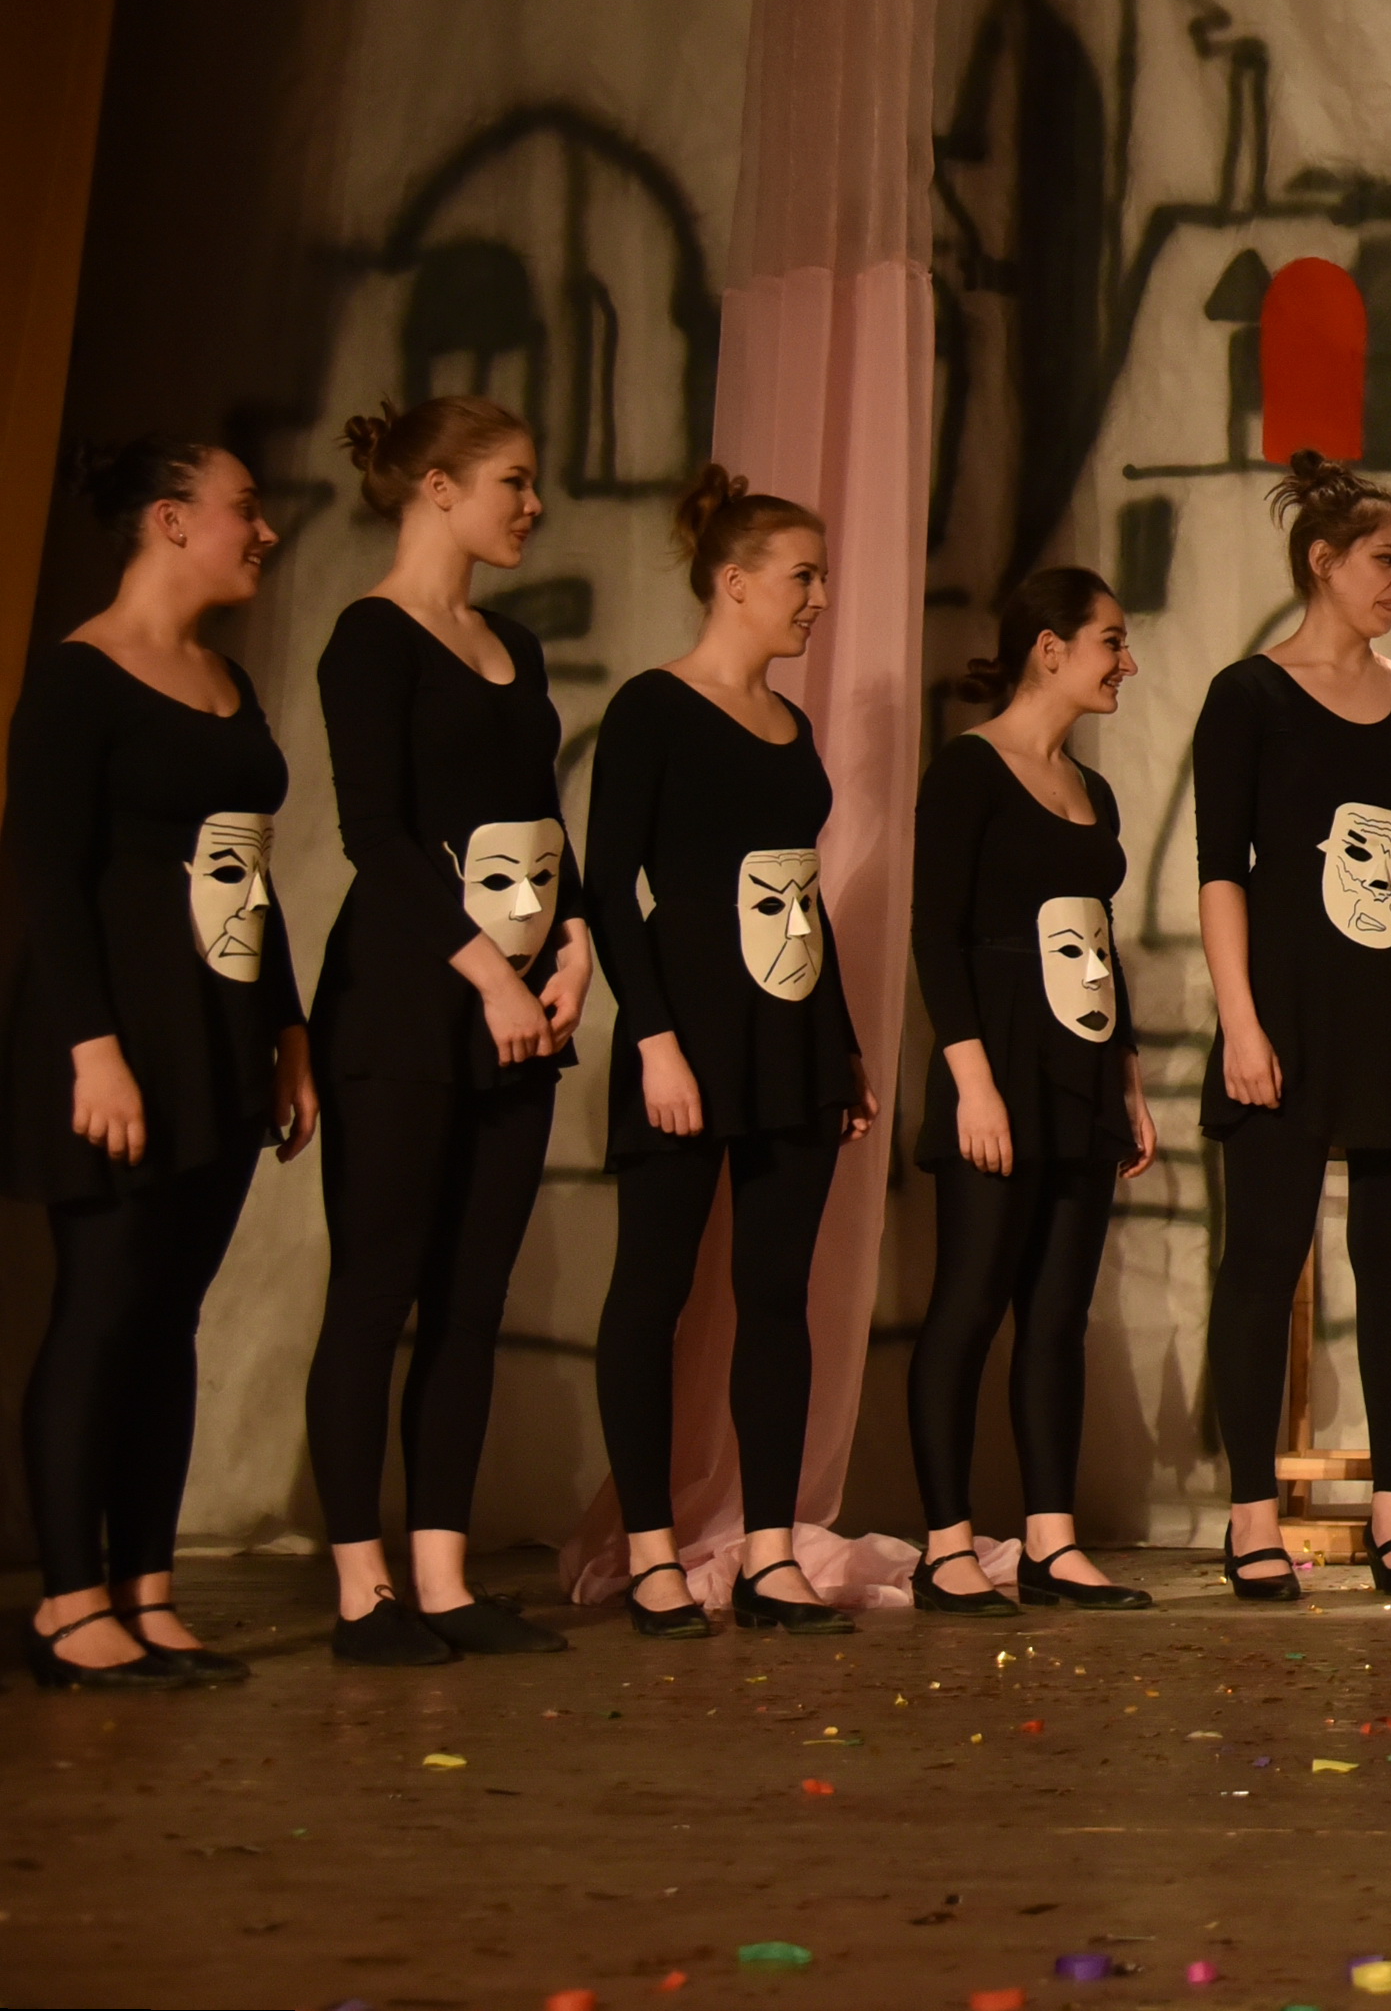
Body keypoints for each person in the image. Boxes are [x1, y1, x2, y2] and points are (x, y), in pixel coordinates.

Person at [7, 442, 317, 1689]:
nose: (266, 531)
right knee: (103, 1305)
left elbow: (246, 871)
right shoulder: (79, 677)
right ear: (172, 520)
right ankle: (68, 1600)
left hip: (219, 1035)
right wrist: (94, 1051)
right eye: (247, 509)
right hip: (119, 1036)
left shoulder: (227, 679)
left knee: (170, 1315)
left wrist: (288, 1030)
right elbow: (44, 875)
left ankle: (146, 1587)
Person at [306, 396, 596, 1664]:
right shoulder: (370, 639)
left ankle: (442, 1576)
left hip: (517, 1007)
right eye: (513, 481)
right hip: (405, 1004)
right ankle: (360, 1587)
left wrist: (576, 938)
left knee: (470, 1301)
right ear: (436, 486)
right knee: (378, 1292)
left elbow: (539, 811)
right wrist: (488, 974)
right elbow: (376, 837)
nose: (533, 504)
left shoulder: (512, 642)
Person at [1193, 456, 1391, 1603]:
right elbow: (1222, 869)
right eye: (1384, 558)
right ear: (1323, 562)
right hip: (1288, 1013)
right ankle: (1249, 1516)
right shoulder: (1249, 695)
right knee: (1264, 1259)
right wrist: (1240, 1020)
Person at [584, 469, 872, 1641]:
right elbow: (609, 888)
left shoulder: (791, 724)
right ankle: (652, 1550)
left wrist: (839, 1044)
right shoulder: (653, 707)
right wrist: (656, 1041)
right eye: (803, 575)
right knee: (653, 1289)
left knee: (777, 1295)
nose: (818, 597)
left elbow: (801, 896)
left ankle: (769, 1551)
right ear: (736, 579)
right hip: (690, 1031)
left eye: (822, 576)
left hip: (789, 1034)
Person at [906, 564, 1159, 1617]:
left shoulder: (1092, 790)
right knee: (970, 1303)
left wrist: (1128, 1078)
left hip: (1081, 1065)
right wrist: (973, 1083)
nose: (1126, 662)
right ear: (1050, 649)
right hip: (998, 1061)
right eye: (1111, 640)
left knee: (1058, 1313)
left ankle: (1051, 1542)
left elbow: (1100, 943)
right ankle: (946, 1546)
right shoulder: (968, 770)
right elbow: (937, 934)